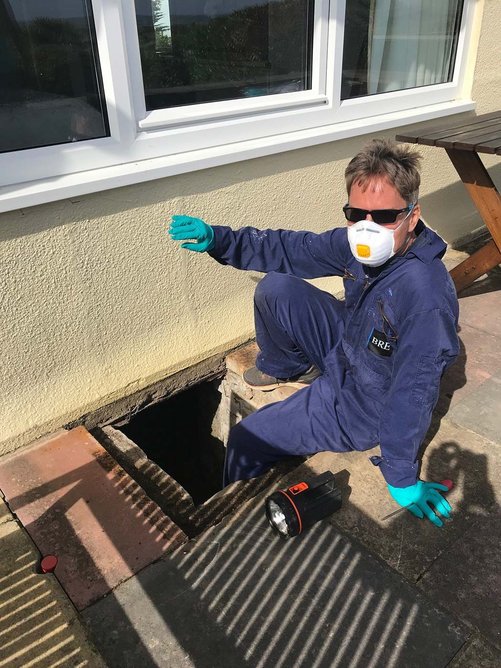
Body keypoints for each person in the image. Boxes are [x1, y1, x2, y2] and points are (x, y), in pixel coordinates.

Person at [169, 138, 459, 528]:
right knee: (276, 287)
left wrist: (402, 477)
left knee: (246, 439)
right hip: (352, 345)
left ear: (413, 214)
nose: (368, 228)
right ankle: (286, 365)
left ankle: (232, 523)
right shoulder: (359, 246)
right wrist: (222, 240)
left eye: (385, 216)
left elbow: (415, 390)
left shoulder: (424, 294)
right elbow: (293, 249)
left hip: (362, 402)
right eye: (357, 213)